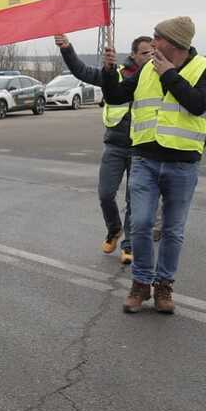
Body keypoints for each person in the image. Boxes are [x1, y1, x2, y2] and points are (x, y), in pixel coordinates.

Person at [100, 16, 206, 313]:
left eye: (157, 37)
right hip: (145, 160)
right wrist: (107, 70)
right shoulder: (145, 70)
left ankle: (164, 286)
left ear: (175, 43)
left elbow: (197, 104)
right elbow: (115, 95)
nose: (153, 43)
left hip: (182, 163)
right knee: (140, 222)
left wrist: (169, 74)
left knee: (173, 229)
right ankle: (140, 283)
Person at [55, 33, 153, 265]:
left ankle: (129, 245)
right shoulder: (115, 74)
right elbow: (81, 71)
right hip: (115, 145)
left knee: (134, 200)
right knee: (106, 194)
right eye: (145, 53)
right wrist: (67, 48)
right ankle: (114, 229)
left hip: (142, 148)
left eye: (153, 52)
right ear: (133, 55)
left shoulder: (157, 77)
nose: (150, 57)